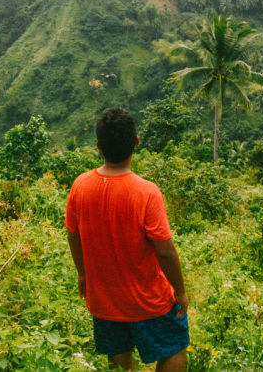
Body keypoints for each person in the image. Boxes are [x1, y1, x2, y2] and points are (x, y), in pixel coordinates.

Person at [65, 107, 189, 371]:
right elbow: (165, 251)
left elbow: (73, 236)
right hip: (149, 302)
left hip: (104, 300)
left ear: (98, 145)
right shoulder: (146, 192)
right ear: (136, 141)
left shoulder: (80, 186)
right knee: (175, 345)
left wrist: (83, 275)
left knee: (118, 354)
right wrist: (179, 291)